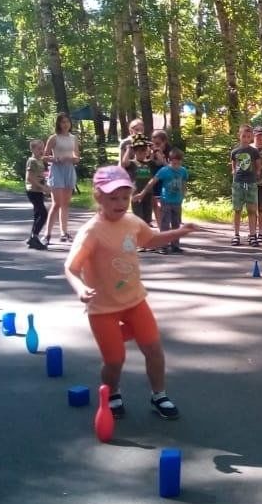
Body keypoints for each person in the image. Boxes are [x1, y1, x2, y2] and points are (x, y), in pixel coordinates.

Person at [63, 165, 199, 421]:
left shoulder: (132, 222)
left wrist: (180, 232)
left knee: (154, 350)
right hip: (103, 308)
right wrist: (80, 288)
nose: (120, 203)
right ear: (98, 197)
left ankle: (159, 395)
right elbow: (71, 267)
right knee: (115, 360)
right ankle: (112, 393)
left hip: (135, 301)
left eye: (125, 197)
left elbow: (150, 240)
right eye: (113, 198)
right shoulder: (91, 232)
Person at [137, 148, 189, 254]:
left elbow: (184, 183)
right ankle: (163, 246)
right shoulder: (164, 171)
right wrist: (143, 193)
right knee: (165, 224)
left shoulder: (183, 171)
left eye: (178, 163)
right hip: (166, 200)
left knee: (176, 224)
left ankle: (175, 245)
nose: (176, 166)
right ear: (170, 161)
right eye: (174, 163)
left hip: (177, 201)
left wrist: (183, 195)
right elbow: (153, 181)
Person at [44, 112, 79, 243]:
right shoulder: (54, 138)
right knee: (57, 203)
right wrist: (56, 159)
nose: (65, 125)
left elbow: (77, 158)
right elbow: (44, 156)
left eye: (67, 122)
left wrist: (70, 158)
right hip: (57, 170)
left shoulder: (73, 138)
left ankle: (64, 232)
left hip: (69, 169)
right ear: (58, 124)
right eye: (62, 122)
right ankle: (47, 234)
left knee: (65, 203)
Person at [230, 124, 261, 246]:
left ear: (251, 138)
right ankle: (236, 235)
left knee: (252, 210)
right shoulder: (235, 152)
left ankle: (252, 235)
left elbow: (258, 166)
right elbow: (233, 166)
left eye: (248, 136)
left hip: (251, 183)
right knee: (237, 210)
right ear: (239, 136)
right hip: (238, 183)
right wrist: (234, 173)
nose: (246, 138)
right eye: (243, 136)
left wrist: (257, 173)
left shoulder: (254, 151)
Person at [120, 133, 154, 228]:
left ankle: (145, 236)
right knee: (138, 217)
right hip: (136, 192)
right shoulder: (132, 163)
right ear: (134, 152)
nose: (141, 153)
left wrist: (153, 148)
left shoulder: (149, 163)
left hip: (148, 193)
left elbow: (160, 161)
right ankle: (138, 237)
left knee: (147, 218)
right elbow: (124, 163)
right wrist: (128, 149)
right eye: (138, 151)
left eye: (144, 150)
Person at [25, 139, 50, 250]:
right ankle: (34, 237)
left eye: (42, 148)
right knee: (43, 214)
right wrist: (42, 187)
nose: (41, 150)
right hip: (33, 191)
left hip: (38, 191)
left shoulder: (40, 161)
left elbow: (41, 176)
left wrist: (46, 185)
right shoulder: (32, 161)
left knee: (37, 214)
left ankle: (32, 237)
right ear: (33, 149)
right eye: (39, 149)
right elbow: (29, 178)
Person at [148, 129, 172, 228]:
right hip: (154, 179)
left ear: (164, 142)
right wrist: (152, 154)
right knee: (155, 204)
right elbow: (148, 163)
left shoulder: (170, 152)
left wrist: (160, 154)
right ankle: (161, 228)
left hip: (165, 181)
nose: (155, 146)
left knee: (164, 205)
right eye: (153, 143)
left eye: (158, 143)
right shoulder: (150, 151)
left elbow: (168, 167)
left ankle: (166, 224)